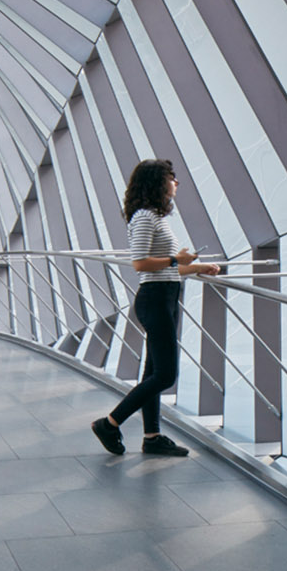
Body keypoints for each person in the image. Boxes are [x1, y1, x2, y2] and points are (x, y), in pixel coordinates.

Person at [92, 159, 221, 458]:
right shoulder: (144, 217)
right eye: (171, 177)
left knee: (153, 371)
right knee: (165, 375)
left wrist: (198, 267)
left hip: (164, 294)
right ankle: (109, 423)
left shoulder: (157, 218)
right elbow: (140, 263)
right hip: (155, 299)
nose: (176, 183)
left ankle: (152, 437)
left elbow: (164, 269)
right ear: (157, 182)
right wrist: (177, 260)